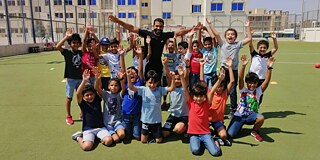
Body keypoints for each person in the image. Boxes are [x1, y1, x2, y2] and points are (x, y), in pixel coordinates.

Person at [108, 15, 192, 77]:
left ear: (163, 27)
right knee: (146, 84)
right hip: (147, 63)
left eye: (160, 26)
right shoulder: (147, 34)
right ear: (153, 26)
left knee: (158, 85)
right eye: (157, 26)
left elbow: (179, 32)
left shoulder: (164, 35)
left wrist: (193, 29)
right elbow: (132, 28)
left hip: (158, 64)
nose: (158, 28)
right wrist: (118, 21)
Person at [206, 18, 252, 119]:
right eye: (228, 34)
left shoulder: (238, 44)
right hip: (223, 70)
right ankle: (216, 106)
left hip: (233, 71)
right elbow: (217, 34)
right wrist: (210, 24)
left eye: (232, 34)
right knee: (219, 89)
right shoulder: (222, 44)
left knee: (232, 91)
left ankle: (233, 109)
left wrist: (248, 26)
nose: (230, 36)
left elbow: (249, 39)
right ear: (225, 37)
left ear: (235, 37)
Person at [227, 55, 276, 142]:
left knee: (261, 118)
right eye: (250, 83)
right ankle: (239, 125)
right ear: (247, 83)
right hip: (239, 116)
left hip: (251, 116)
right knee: (230, 134)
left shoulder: (258, 91)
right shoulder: (243, 90)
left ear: (257, 83)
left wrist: (269, 68)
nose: (252, 85)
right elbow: (240, 79)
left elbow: (267, 81)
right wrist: (243, 66)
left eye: (254, 83)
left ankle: (254, 131)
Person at [181, 59, 221, 156]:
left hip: (205, 133)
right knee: (195, 150)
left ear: (204, 96)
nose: (198, 98)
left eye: (201, 96)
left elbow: (211, 91)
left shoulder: (207, 103)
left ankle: (215, 142)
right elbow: (185, 90)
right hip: (194, 133)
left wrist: (220, 80)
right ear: (193, 96)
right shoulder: (191, 102)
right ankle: (202, 143)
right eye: (196, 96)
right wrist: (182, 76)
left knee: (216, 152)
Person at [127, 69, 176, 143]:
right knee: (143, 140)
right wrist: (128, 77)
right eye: (150, 82)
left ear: (158, 82)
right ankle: (150, 132)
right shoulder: (143, 90)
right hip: (145, 120)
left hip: (156, 121)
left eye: (154, 83)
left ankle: (155, 133)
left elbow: (171, 88)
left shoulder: (160, 90)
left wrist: (173, 78)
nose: (152, 85)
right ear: (146, 82)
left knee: (159, 140)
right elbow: (131, 88)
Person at [71, 69, 112, 151]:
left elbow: (97, 88)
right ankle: (79, 137)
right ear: (84, 97)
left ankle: (95, 138)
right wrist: (84, 80)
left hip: (100, 128)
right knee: (86, 147)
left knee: (108, 141)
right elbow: (78, 94)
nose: (90, 97)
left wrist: (97, 78)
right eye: (87, 95)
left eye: (91, 94)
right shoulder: (82, 103)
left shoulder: (97, 99)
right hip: (88, 129)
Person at [94, 64, 127, 143]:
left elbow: (124, 89)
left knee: (122, 134)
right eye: (111, 85)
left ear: (118, 87)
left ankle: (116, 131)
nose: (114, 87)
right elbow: (96, 88)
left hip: (117, 121)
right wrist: (98, 79)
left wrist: (121, 80)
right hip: (107, 122)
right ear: (108, 87)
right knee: (116, 139)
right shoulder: (106, 94)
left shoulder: (119, 95)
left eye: (116, 85)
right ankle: (107, 135)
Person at [56, 28, 82, 125]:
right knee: (69, 98)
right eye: (73, 42)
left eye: (77, 43)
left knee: (81, 97)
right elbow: (58, 46)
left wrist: (87, 31)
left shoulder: (81, 52)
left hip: (80, 78)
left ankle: (82, 112)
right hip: (71, 79)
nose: (75, 44)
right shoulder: (67, 52)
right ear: (70, 44)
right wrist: (66, 37)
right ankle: (69, 116)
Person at [206, 58, 234, 146]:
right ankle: (213, 135)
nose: (219, 88)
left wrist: (229, 67)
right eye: (218, 86)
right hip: (207, 120)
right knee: (204, 134)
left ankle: (217, 137)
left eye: (221, 86)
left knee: (224, 135)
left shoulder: (225, 94)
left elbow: (232, 81)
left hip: (218, 120)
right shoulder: (210, 92)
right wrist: (219, 80)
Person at [121, 45, 145, 141]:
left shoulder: (140, 83)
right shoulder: (126, 83)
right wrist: (122, 56)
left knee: (137, 136)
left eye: (133, 72)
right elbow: (123, 70)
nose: (131, 73)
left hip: (136, 115)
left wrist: (139, 56)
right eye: (129, 72)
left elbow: (140, 70)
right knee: (126, 137)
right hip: (126, 115)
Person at [162, 62, 189, 139]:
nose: (177, 81)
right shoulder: (171, 87)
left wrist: (185, 70)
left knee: (178, 129)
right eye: (175, 79)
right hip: (173, 115)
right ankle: (173, 125)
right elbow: (168, 76)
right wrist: (165, 64)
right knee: (164, 133)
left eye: (179, 79)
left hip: (184, 115)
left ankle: (186, 126)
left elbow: (186, 77)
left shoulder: (184, 88)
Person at [197, 24, 219, 89]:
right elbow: (198, 41)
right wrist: (199, 30)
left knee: (211, 89)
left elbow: (213, 38)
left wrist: (206, 29)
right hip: (205, 74)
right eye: (206, 44)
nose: (207, 46)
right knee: (204, 89)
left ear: (212, 44)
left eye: (209, 44)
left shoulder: (215, 50)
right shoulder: (204, 50)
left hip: (213, 74)